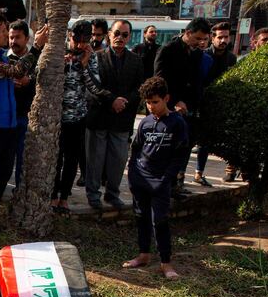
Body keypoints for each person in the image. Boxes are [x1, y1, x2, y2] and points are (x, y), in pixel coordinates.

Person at [0, 10, 47, 238]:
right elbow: (15, 71)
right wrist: (36, 47)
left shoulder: (1, 56)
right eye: (4, 32)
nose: (7, 36)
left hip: (8, 125)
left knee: (3, 175)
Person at [123, 76, 190, 279]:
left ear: (166, 98)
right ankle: (143, 255)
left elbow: (181, 154)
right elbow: (136, 150)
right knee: (141, 217)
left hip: (161, 181)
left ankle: (166, 263)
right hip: (140, 179)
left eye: (155, 102)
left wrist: (168, 178)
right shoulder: (145, 122)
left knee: (159, 221)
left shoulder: (177, 123)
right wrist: (133, 175)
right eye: (148, 102)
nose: (151, 106)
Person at [85, 19, 144, 210]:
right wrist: (112, 100)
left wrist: (123, 101)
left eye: (124, 35)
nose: (120, 38)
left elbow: (140, 88)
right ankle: (93, 194)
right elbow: (92, 85)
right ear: (109, 34)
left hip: (122, 119)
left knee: (118, 160)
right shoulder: (96, 57)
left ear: (129, 37)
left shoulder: (135, 61)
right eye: (116, 33)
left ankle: (112, 193)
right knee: (95, 159)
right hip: (100, 116)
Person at [51, 20, 103, 215]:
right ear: (70, 36)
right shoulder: (58, 50)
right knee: (56, 159)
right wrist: (63, 65)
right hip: (57, 117)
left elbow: (95, 87)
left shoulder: (91, 57)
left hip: (78, 116)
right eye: (76, 40)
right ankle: (53, 195)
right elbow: (49, 78)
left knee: (72, 159)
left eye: (84, 41)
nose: (80, 45)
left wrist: (83, 65)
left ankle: (64, 197)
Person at [154, 17, 210, 196]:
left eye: (203, 39)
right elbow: (159, 80)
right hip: (169, 109)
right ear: (187, 33)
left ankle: (175, 184)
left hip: (188, 110)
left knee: (181, 150)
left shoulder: (194, 53)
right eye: (197, 38)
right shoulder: (168, 50)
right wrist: (174, 101)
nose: (200, 43)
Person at [194, 21, 236, 186]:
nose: (223, 40)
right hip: (204, 105)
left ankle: (231, 170)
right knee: (203, 141)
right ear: (212, 38)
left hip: (224, 105)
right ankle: (198, 173)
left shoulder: (231, 59)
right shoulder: (203, 56)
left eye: (226, 37)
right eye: (220, 37)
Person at [7, 19, 35, 190]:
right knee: (5, 157)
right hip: (6, 116)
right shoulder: (3, 58)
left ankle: (20, 190)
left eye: (17, 37)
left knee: (23, 158)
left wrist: (28, 82)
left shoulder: (35, 59)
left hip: (27, 116)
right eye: (11, 37)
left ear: (26, 39)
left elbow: (41, 81)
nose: (13, 41)